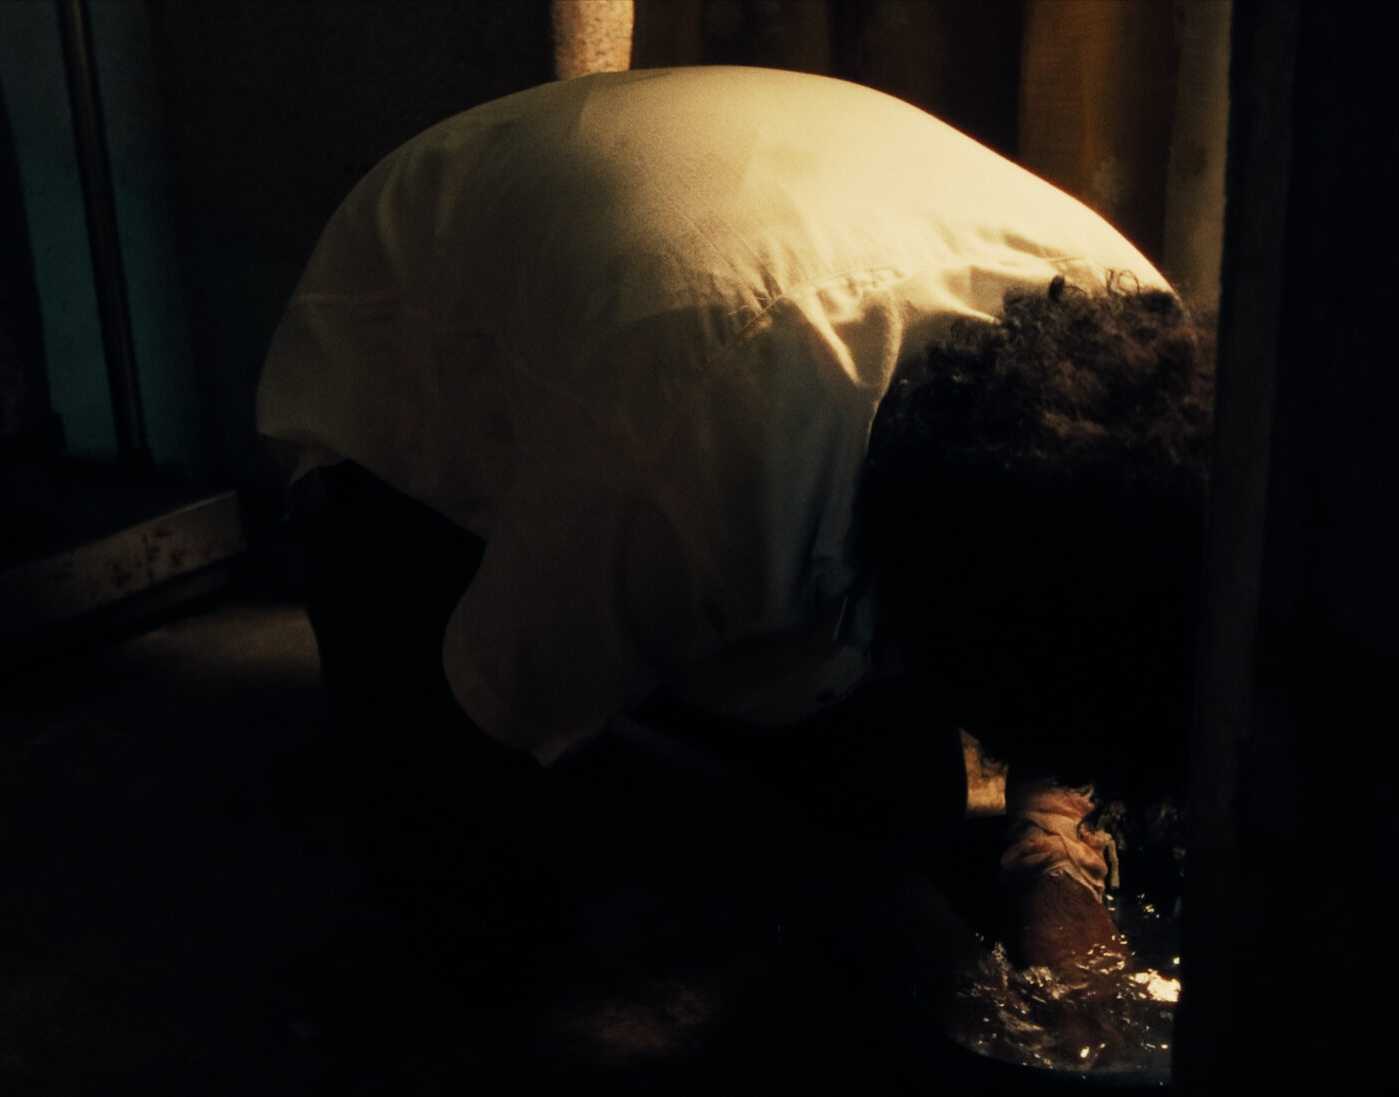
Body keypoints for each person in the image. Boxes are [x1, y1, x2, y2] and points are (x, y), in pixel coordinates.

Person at [258, 66, 1213, 1041]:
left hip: (708, 300)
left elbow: (1090, 636)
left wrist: (1052, 852)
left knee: (906, 811)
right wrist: (856, 900)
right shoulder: (685, 450)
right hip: (405, 359)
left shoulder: (1140, 347)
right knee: (486, 923)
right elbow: (498, 729)